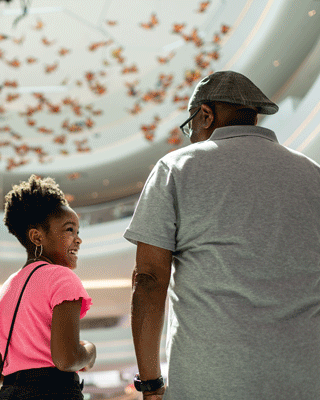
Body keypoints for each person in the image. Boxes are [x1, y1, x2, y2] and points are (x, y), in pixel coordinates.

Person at [124, 70, 320, 399]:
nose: (191, 137)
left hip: (211, 382)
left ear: (205, 115)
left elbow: (149, 279)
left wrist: (151, 383)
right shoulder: (312, 174)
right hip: (306, 378)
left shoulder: (176, 168)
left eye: (191, 126)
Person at [0, 175, 96, 400]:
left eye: (78, 231)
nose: (78, 239)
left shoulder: (3, 294)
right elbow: (67, 359)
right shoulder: (62, 278)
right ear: (37, 237)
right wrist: (90, 352)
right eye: (70, 230)